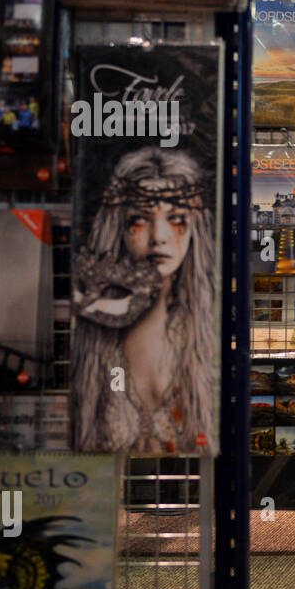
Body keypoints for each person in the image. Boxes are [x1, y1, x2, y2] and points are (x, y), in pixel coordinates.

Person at [72, 146, 217, 454]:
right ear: (119, 228)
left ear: (194, 229)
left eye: (176, 219)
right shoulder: (97, 334)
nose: (158, 236)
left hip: (195, 497)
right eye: (140, 219)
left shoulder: (206, 333)